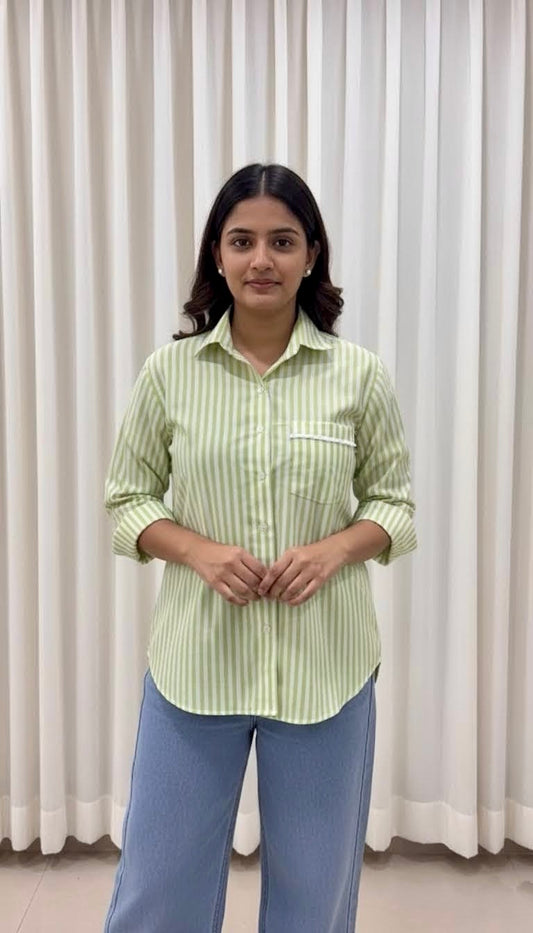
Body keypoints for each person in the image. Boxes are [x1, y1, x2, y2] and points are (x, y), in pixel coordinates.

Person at [103, 162, 417, 932]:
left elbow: (394, 506)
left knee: (315, 894)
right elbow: (127, 501)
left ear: (312, 253)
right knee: (158, 886)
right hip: (194, 667)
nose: (261, 260)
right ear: (217, 253)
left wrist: (337, 548)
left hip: (325, 670)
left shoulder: (359, 376)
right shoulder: (168, 374)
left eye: (281, 241)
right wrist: (196, 550)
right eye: (242, 241)